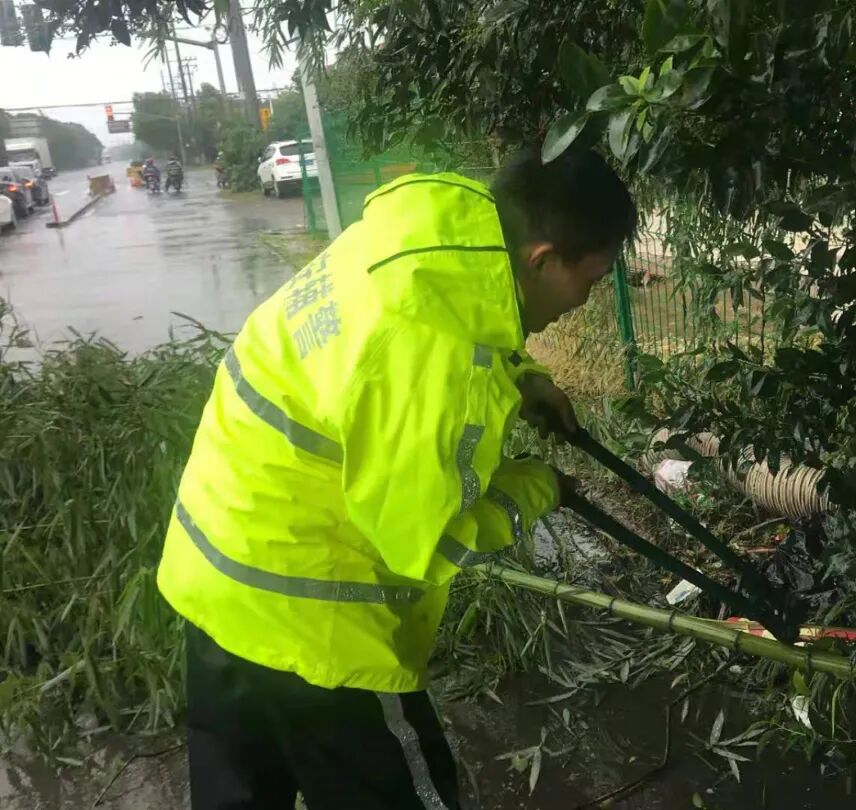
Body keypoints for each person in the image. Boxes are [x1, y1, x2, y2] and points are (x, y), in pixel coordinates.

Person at [156, 147, 637, 810]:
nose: (584, 301)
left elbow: (439, 324)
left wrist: (522, 377)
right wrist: (538, 487)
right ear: (542, 260)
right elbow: (426, 542)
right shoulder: (435, 365)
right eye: (592, 279)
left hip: (215, 577)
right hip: (314, 623)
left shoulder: (420, 240)